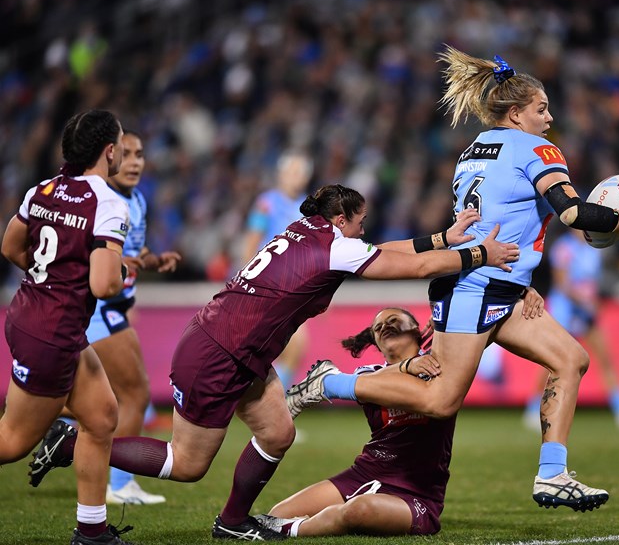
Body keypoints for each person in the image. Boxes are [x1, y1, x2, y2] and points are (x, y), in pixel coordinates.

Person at [28, 184, 519, 541]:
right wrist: (480, 254)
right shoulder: (335, 245)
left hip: (228, 343)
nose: (364, 230)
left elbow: (379, 251)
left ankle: (232, 523)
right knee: (187, 463)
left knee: (278, 432)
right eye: (360, 221)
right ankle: (71, 442)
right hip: (222, 353)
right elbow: (410, 266)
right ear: (342, 220)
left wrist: (443, 238)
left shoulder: (305, 231)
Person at [286, 46, 619, 513]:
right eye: (541, 109)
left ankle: (552, 475)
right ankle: (331, 383)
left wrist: (523, 280)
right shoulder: (538, 149)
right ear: (516, 113)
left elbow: (496, 218)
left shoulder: (473, 150)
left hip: (494, 283)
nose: (549, 118)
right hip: (475, 287)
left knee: (571, 359)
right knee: (440, 400)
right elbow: (574, 213)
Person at [258, 292, 544, 538]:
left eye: (394, 319)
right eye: (378, 327)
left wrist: (520, 292)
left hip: (417, 493)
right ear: (376, 343)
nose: (385, 326)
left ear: (418, 329)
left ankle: (294, 531)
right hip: (364, 474)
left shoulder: (444, 368)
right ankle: (314, 520)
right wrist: (407, 366)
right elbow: (383, 384)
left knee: (359, 510)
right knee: (277, 512)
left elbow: (486, 327)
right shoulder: (367, 376)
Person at [1, 109, 136, 545]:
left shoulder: (42, 189)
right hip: (53, 333)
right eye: (121, 145)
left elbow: (10, 246)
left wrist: (52, 278)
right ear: (109, 151)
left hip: (31, 315)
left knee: (101, 415)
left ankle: (91, 531)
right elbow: (103, 284)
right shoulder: (109, 204)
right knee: (11, 442)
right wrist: (120, 272)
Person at [83, 130, 182, 505]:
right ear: (110, 157)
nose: (135, 162)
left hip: (115, 308)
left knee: (96, 398)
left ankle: (57, 428)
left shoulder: (136, 200)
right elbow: (88, 254)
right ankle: (120, 484)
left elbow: (134, 253)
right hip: (100, 310)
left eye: (140, 154)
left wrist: (154, 261)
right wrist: (114, 262)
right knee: (135, 395)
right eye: (126, 154)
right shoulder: (99, 200)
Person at [524, 228, 619, 431]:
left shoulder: (593, 249)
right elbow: (562, 283)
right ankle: (533, 409)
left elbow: (592, 282)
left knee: (605, 357)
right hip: (565, 311)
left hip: (585, 313)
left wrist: (593, 301)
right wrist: (584, 301)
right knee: (550, 362)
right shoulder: (563, 248)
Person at [241, 152, 313, 393]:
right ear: (280, 174)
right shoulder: (266, 203)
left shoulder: (308, 209)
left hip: (292, 287)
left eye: (299, 172)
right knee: (294, 343)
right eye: (291, 171)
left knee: (292, 348)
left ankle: (270, 401)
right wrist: (247, 279)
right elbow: (252, 241)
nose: (295, 177)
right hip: (267, 283)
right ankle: (272, 402)